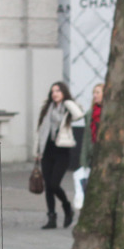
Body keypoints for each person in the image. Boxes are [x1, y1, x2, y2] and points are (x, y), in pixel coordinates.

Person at [34, 81, 85, 229]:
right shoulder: (46, 109)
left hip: (62, 151)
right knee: (48, 187)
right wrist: (37, 151)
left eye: (58, 91)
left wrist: (68, 101)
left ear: (64, 93)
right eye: (53, 91)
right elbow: (40, 131)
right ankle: (51, 217)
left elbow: (79, 115)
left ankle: (67, 207)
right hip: (47, 150)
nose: (54, 94)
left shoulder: (68, 109)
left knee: (54, 184)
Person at [79, 82, 104, 171]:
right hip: (92, 153)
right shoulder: (90, 113)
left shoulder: (108, 114)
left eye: (98, 92)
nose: (94, 95)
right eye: (94, 93)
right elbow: (86, 137)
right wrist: (83, 161)